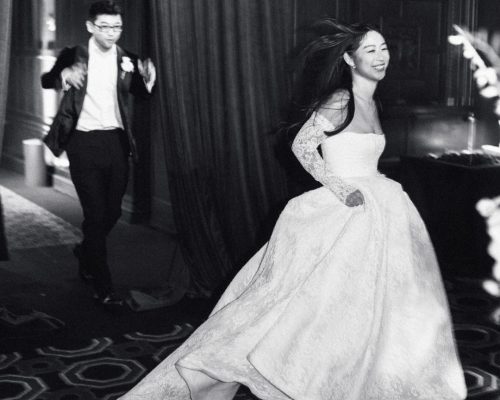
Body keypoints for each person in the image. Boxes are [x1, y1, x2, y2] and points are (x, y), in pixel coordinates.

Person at [120, 19, 466, 399]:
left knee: (368, 309)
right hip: (342, 213)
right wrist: (341, 188)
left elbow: (362, 155)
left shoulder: (373, 101)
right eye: (371, 50)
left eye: (384, 48)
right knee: (301, 310)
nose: (381, 56)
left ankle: (357, 377)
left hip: (381, 211)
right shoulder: (341, 99)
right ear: (350, 59)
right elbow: (302, 146)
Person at [41, 1, 156, 307]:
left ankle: (85, 251)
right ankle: (103, 286)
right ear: (91, 27)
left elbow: (142, 95)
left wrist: (148, 80)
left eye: (117, 27)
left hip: (116, 142)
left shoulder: (126, 58)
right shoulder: (74, 54)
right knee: (95, 214)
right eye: (105, 26)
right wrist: (64, 73)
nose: (112, 33)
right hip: (82, 142)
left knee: (113, 212)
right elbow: (47, 80)